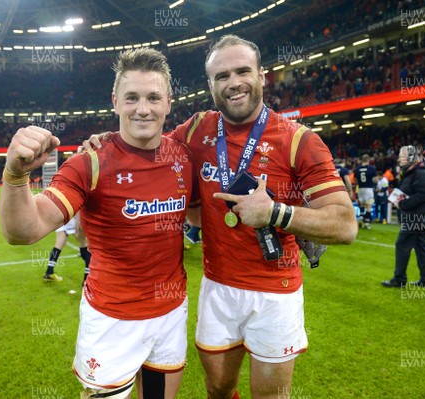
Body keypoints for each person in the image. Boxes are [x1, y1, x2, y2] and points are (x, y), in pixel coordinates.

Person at [85, 35, 357, 399]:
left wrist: (277, 212)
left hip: (276, 293)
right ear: (211, 85)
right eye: (221, 75)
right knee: (218, 389)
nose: (233, 82)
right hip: (218, 288)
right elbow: (146, 141)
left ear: (262, 76)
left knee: (270, 396)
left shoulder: (298, 140)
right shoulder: (196, 130)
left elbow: (344, 224)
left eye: (242, 71)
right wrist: (110, 141)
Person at [0, 48, 196, 399]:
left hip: (169, 314)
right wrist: (15, 175)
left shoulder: (183, 155)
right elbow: (24, 231)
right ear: (115, 102)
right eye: (131, 97)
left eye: (153, 97)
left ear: (168, 101)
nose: (143, 108)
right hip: (111, 320)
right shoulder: (88, 163)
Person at [382, 145, 425, 289]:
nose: (399, 159)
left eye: (402, 156)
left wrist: (404, 204)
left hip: (417, 217)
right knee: (421, 247)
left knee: (402, 245)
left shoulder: (420, 173)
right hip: (419, 216)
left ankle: (399, 279)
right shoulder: (414, 172)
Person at [354, 154, 378, 230]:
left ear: (362, 160)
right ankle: (367, 224)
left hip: (360, 189)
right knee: (368, 206)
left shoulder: (357, 169)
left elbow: (356, 181)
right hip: (368, 189)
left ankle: (360, 220)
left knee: (362, 204)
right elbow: (376, 180)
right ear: (368, 160)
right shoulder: (372, 168)